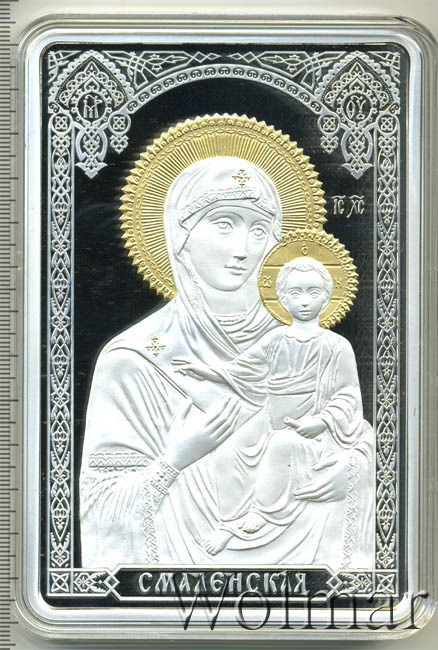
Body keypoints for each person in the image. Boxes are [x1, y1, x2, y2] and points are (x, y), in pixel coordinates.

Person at [80, 156, 374, 570]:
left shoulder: (316, 343)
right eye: (223, 224)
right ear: (180, 236)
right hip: (171, 583)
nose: (243, 250)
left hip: (310, 571)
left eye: (259, 231)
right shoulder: (135, 359)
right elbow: (101, 503)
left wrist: (354, 473)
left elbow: (355, 430)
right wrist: (175, 459)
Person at [173, 256, 375, 568]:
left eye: (313, 292)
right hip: (270, 418)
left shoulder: (336, 346)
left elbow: (347, 394)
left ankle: (262, 513)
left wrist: (321, 421)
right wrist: (204, 370)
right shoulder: (275, 339)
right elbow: (241, 369)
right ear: (282, 298)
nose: (304, 301)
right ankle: (229, 523)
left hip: (312, 429)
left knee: (281, 445)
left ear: (326, 297)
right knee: (229, 450)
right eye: (295, 293)